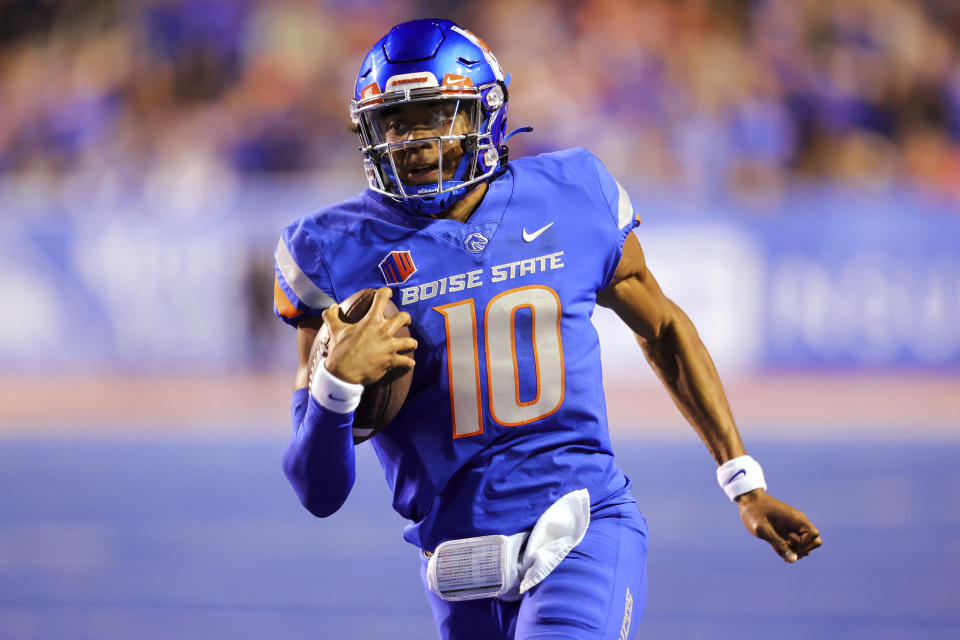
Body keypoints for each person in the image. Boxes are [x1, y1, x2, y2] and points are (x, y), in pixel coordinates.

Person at [273, 18, 821, 640]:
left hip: (581, 525)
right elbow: (317, 490)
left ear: (485, 114)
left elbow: (663, 328)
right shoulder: (332, 252)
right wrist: (336, 387)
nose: (414, 141)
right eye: (396, 122)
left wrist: (742, 479)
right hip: (457, 567)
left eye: (436, 115)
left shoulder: (572, 193)